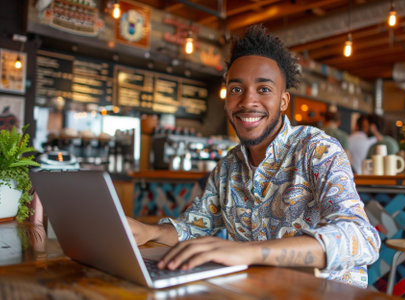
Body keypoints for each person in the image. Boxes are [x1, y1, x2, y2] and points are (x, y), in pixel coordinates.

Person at [128, 25, 380, 288]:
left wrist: (249, 252)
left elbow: (361, 238)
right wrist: (150, 232)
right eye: (236, 89)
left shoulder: (317, 149)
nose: (248, 101)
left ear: (283, 101)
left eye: (263, 89)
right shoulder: (228, 167)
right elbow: (194, 227)